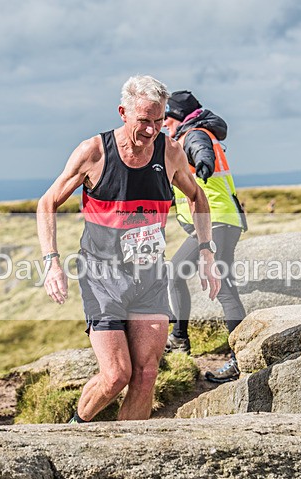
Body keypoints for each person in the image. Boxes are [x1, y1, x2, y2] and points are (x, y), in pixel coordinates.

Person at [37, 75, 220, 423]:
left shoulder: (171, 151)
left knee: (147, 374)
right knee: (116, 375)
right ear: (123, 112)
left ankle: (126, 460)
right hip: (102, 276)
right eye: (144, 121)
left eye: (158, 120)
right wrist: (52, 262)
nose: (152, 130)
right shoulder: (93, 152)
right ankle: (77, 428)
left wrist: (207, 253)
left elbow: (197, 197)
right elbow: (47, 203)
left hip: (149, 278)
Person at [162, 90, 247, 383]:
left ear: (179, 117)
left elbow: (201, 153)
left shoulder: (195, 135)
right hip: (222, 221)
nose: (163, 124)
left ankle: (186, 342)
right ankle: (186, 340)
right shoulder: (195, 133)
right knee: (223, 287)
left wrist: (203, 165)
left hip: (216, 222)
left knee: (182, 277)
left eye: (167, 118)